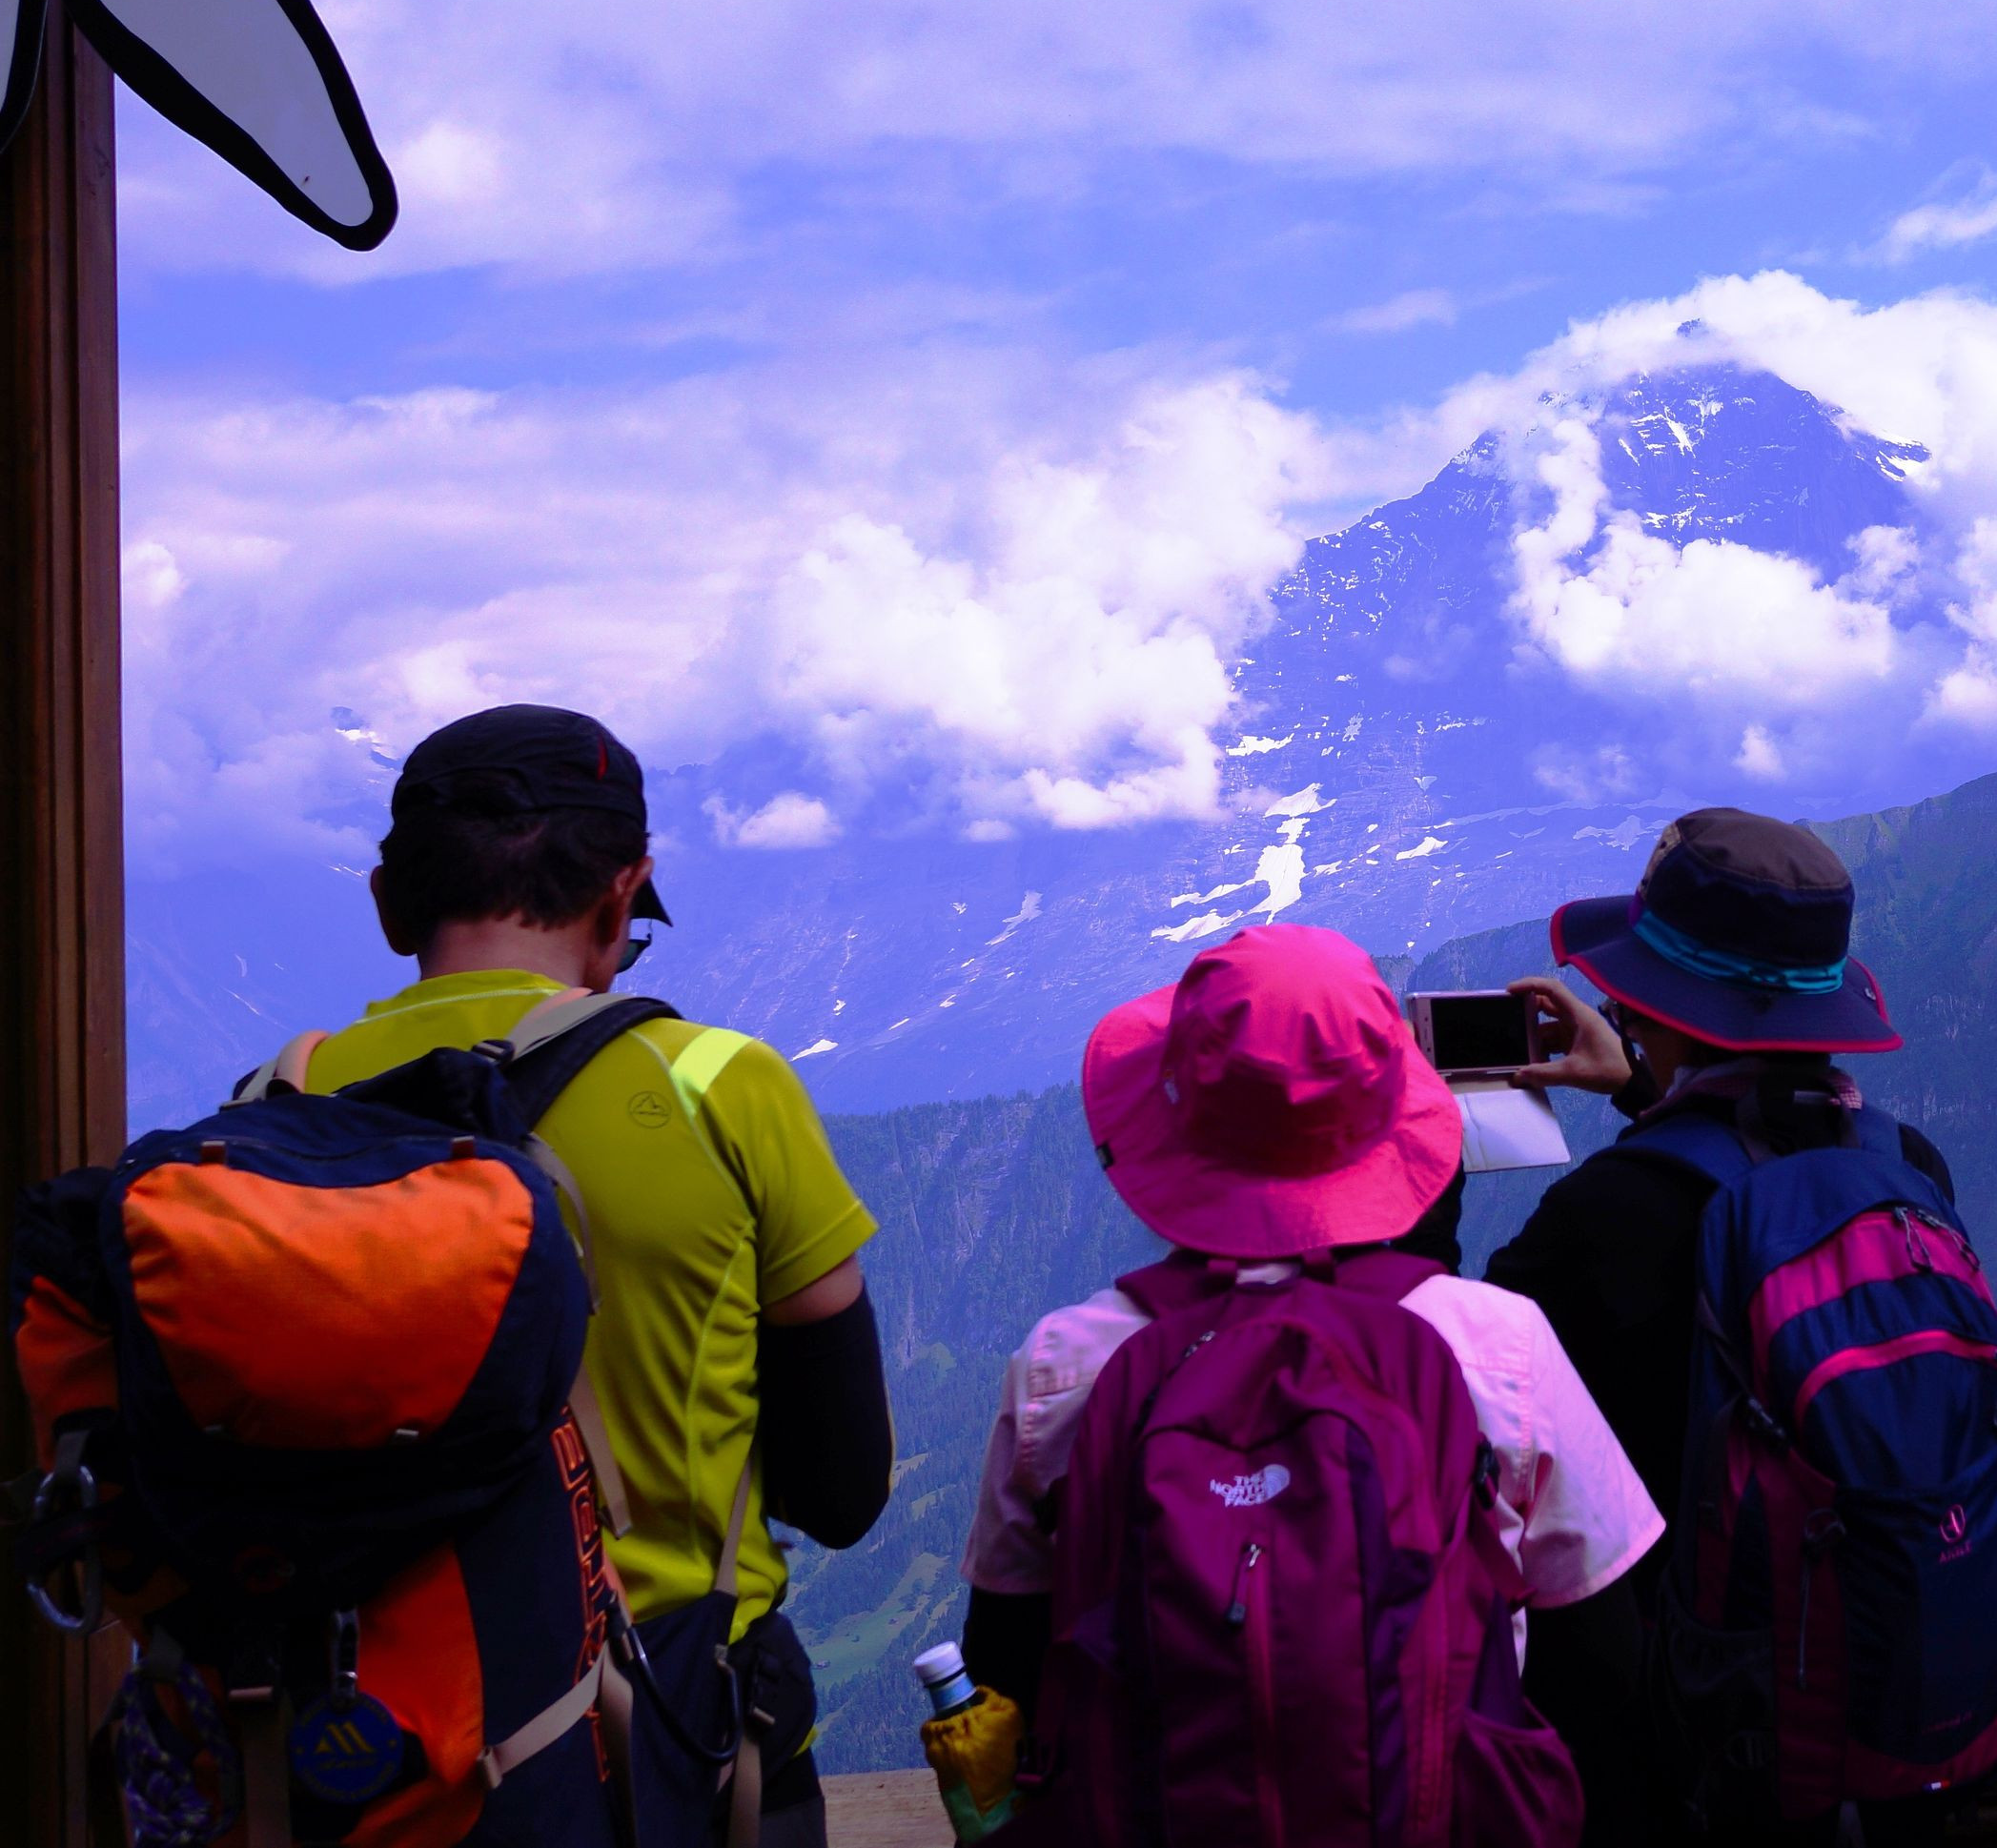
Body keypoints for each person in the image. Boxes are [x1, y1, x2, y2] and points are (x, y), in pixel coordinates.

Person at [294, 706, 889, 1848]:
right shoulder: (721, 1086)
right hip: (675, 1731)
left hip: (384, 1753)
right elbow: (842, 1489)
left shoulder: (282, 1102)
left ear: (388, 905)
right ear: (624, 896)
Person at [953, 922, 1664, 1780]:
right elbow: (1604, 1662)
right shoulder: (1497, 1343)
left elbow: (1004, 1662)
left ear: (1174, 1123)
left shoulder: (1062, 1364)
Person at [1485, 807, 1961, 1843]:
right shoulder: (1906, 1168)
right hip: (1893, 1698)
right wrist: (1645, 1087)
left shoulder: (1601, 1218)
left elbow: (1465, 1387)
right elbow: (1757, 1170)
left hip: (1693, 1745)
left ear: (1649, 1006)